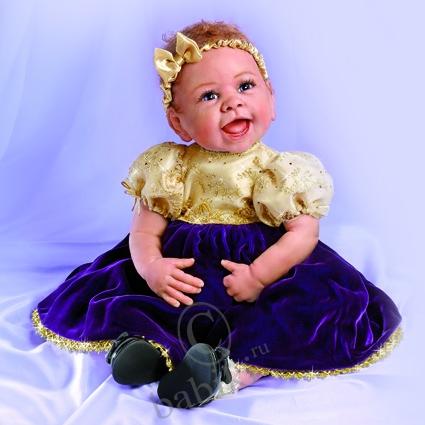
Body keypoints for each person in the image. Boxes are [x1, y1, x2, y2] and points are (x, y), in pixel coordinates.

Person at [31, 20, 403, 409]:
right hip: (188, 274)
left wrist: (259, 276)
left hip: (262, 271)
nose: (232, 103)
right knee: (148, 301)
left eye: (246, 86)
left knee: (289, 313)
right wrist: (152, 267)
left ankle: (229, 373)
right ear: (179, 122)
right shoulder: (170, 167)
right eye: (209, 96)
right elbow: (142, 232)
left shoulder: (283, 172)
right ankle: (148, 351)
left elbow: (303, 234)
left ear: (272, 99)